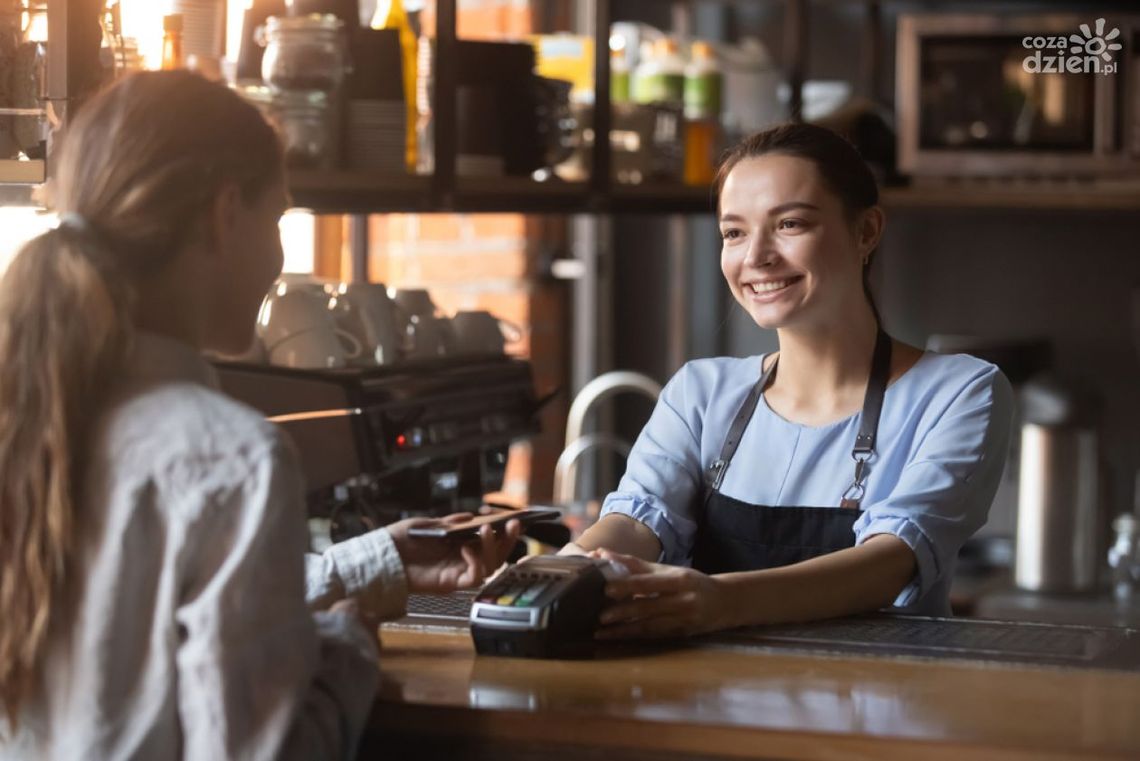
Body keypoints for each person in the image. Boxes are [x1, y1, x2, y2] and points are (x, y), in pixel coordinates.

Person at [0, 70, 519, 759]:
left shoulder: (27, 416)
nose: (279, 254)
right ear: (224, 214)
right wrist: (346, 655)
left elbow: (142, 618)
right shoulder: (233, 456)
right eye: (277, 217)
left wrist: (375, 562)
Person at [563, 123, 1013, 638]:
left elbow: (891, 561)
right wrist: (566, 571)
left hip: (881, 705)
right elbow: (639, 521)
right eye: (734, 232)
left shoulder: (958, 392)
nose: (755, 257)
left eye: (790, 224)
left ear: (866, 231)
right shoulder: (700, 392)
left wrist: (720, 600)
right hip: (711, 702)